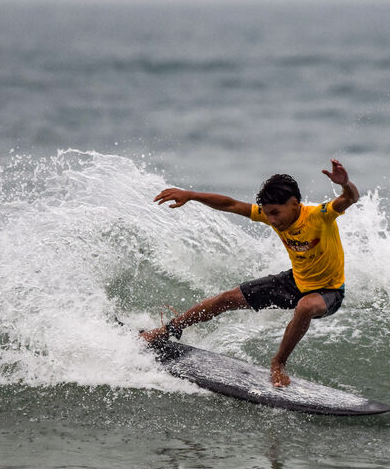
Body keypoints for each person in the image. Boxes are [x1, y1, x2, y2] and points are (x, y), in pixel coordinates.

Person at [141, 159, 359, 387]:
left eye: (276, 212)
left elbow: (350, 199)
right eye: (268, 214)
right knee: (226, 299)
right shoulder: (272, 216)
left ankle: (278, 364)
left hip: (329, 291)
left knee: (305, 306)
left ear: (295, 204)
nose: (272, 220)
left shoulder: (319, 216)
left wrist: (346, 184)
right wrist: (192, 194)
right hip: (295, 281)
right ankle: (166, 331)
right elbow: (230, 204)